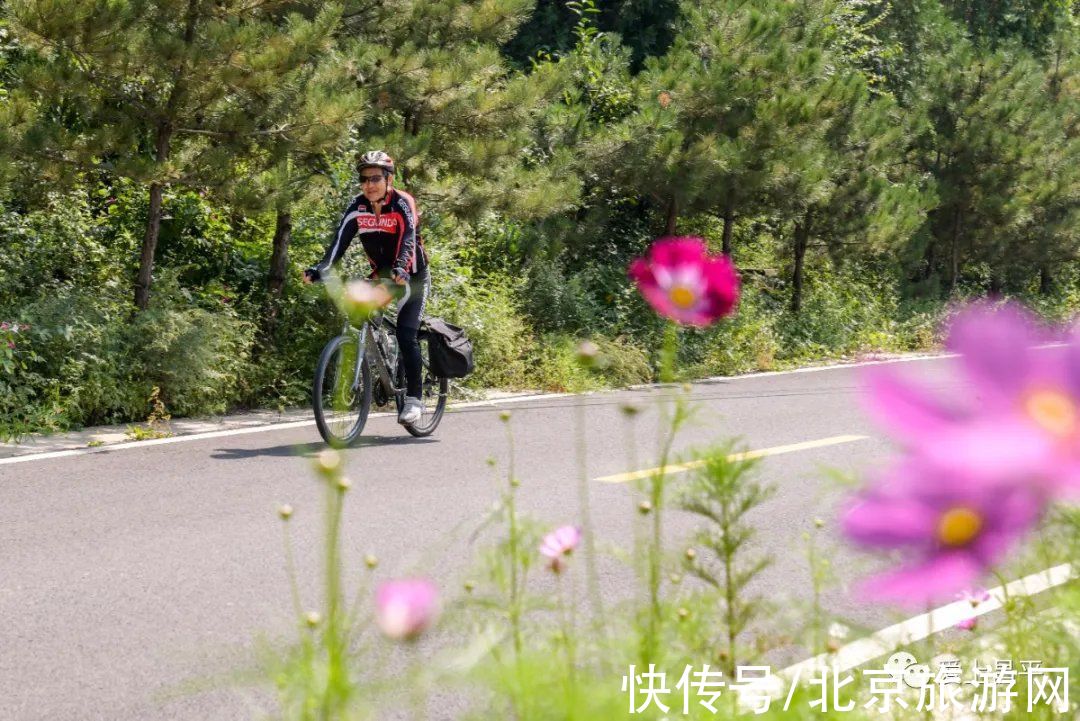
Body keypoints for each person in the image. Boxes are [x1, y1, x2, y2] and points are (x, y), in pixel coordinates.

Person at [304, 150, 430, 425]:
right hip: (382, 277)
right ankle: (375, 358)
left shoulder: (402, 203)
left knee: (407, 334)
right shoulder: (358, 207)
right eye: (364, 179)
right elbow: (339, 241)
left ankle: (414, 399)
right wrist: (320, 269)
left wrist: (400, 268)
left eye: (375, 178)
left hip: (412, 276)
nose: (369, 184)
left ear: (389, 179)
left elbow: (408, 238)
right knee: (357, 311)